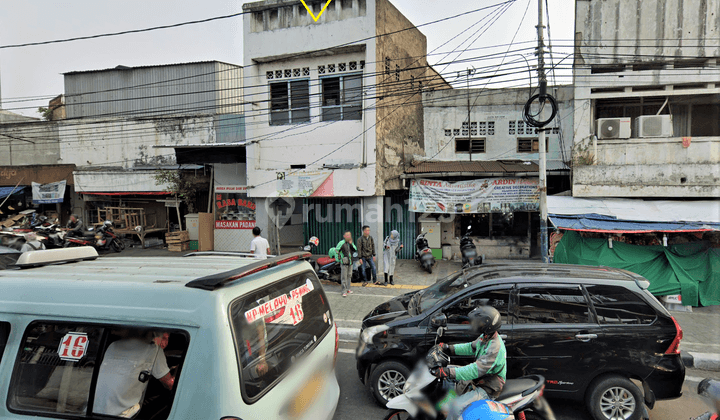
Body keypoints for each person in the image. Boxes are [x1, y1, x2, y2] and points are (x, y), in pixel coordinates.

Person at [432, 306, 506, 420]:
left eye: (479, 323)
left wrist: (448, 372)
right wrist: (449, 348)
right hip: (480, 378)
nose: (476, 325)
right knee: (449, 372)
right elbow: (470, 347)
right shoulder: (486, 337)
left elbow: (474, 370)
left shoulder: (495, 348)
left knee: (455, 407)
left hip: (488, 387)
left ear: (487, 325)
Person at [94, 330, 175, 418]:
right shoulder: (153, 350)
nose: (165, 343)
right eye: (163, 338)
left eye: (167, 339)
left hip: (95, 409)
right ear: (154, 334)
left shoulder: (113, 345)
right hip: (122, 414)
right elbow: (170, 384)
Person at [335, 231, 358, 298]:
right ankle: (343, 291)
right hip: (344, 262)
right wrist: (339, 259)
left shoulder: (350, 243)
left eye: (349, 235)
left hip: (350, 262)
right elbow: (336, 250)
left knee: (349, 276)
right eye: (347, 235)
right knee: (344, 277)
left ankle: (348, 289)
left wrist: (351, 244)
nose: (348, 236)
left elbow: (355, 249)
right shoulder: (341, 243)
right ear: (344, 236)